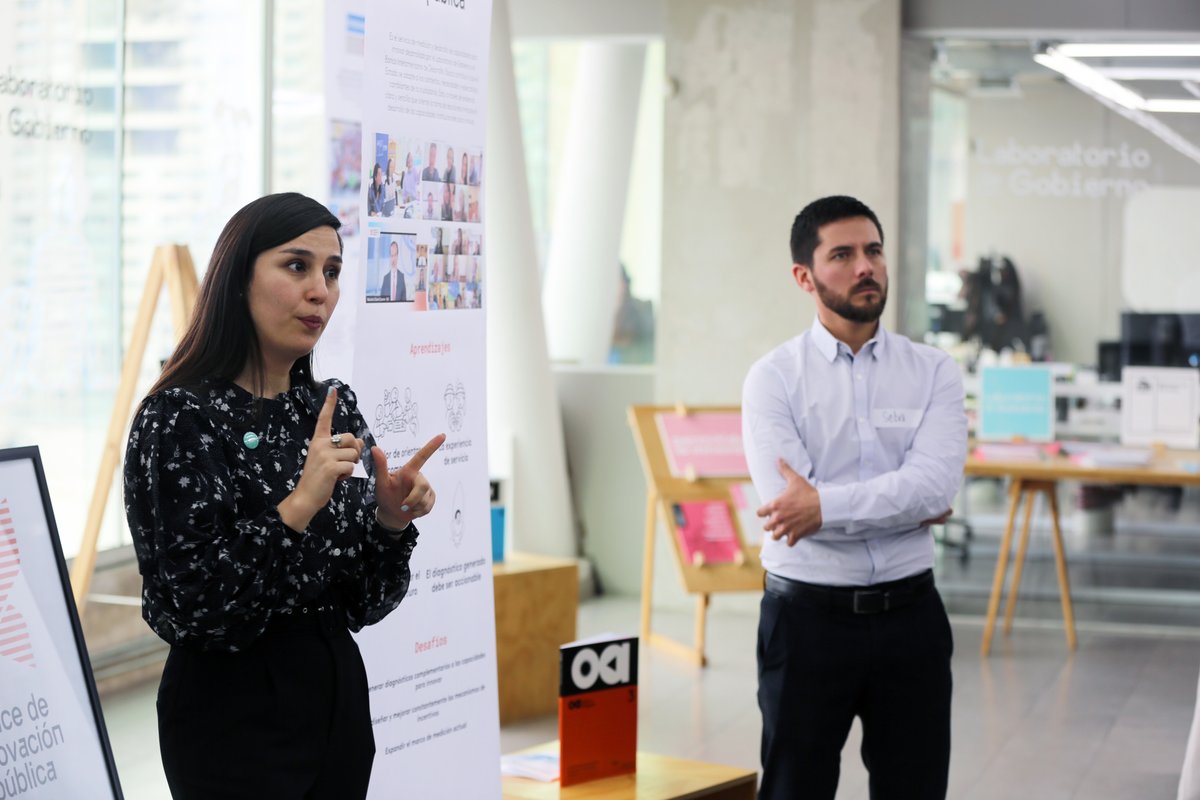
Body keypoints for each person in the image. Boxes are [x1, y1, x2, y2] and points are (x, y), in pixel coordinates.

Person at [124, 192, 445, 799]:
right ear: (237, 278)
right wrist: (300, 503)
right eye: (296, 266)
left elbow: (366, 602)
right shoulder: (179, 417)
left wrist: (389, 521)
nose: (319, 290)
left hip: (333, 695)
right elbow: (196, 607)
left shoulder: (331, 406)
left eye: (331, 272)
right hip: (229, 708)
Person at [742, 195, 964, 800]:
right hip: (806, 621)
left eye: (873, 250)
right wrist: (903, 507)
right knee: (795, 790)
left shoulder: (934, 372)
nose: (865, 266)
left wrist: (827, 507)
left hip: (912, 620)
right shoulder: (774, 379)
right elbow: (788, 509)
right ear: (804, 277)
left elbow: (935, 486)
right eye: (842, 254)